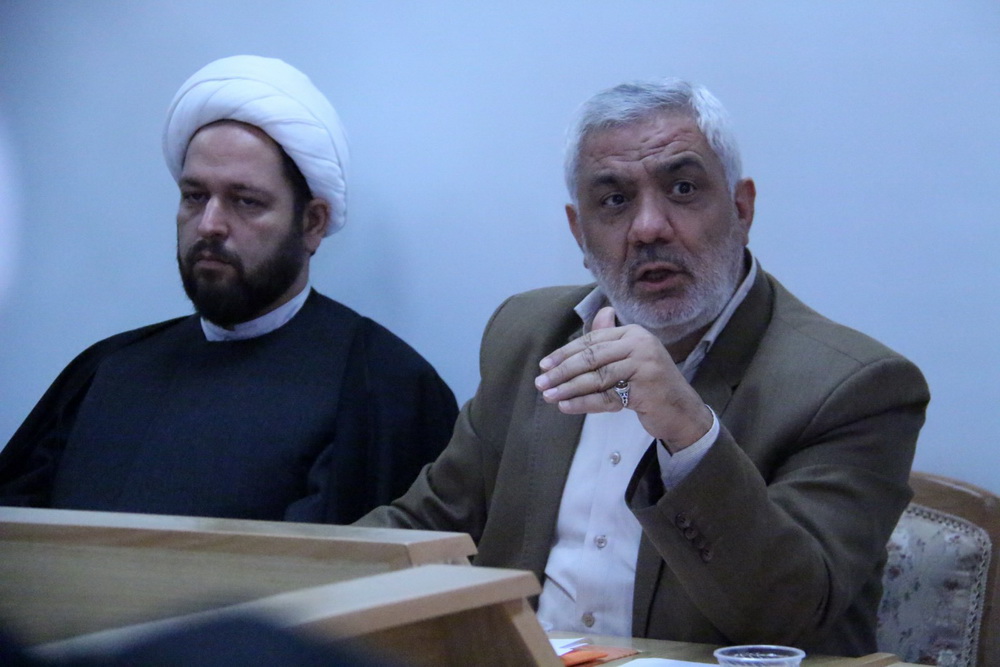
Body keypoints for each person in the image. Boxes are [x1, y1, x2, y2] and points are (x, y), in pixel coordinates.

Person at [356, 79, 930, 656]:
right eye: (614, 200)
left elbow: (790, 613)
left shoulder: (855, 386)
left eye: (682, 189)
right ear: (580, 233)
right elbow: (427, 528)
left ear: (741, 208)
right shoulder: (527, 336)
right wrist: (305, 583)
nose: (648, 227)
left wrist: (688, 430)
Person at [0, 56, 458, 524]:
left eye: (245, 201)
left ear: (312, 223)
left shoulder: (381, 387)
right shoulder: (107, 371)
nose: (209, 224)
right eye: (195, 196)